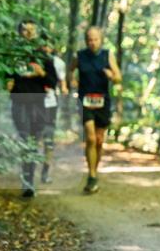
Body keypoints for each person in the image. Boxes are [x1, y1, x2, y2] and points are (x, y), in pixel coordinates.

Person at [7, 19, 57, 198]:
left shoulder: (44, 56)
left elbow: (53, 82)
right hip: (19, 103)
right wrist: (8, 82)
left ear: (36, 33)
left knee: (34, 142)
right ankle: (26, 181)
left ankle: (29, 182)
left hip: (38, 104)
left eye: (31, 31)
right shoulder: (12, 54)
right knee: (25, 139)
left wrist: (41, 73)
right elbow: (5, 75)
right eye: (24, 30)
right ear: (19, 33)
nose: (28, 34)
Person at [69, 26, 121, 194]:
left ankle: (94, 172)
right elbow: (70, 71)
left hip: (102, 102)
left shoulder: (107, 55)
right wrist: (72, 81)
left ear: (101, 39)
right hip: (85, 101)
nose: (92, 42)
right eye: (89, 39)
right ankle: (91, 175)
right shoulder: (80, 56)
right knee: (90, 138)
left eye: (95, 39)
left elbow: (119, 78)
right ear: (86, 40)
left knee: (99, 141)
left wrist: (111, 75)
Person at [40, 34, 69, 184]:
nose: (45, 47)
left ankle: (45, 171)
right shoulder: (33, 61)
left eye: (48, 44)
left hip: (50, 104)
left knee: (48, 139)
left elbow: (62, 83)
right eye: (42, 44)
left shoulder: (58, 63)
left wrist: (64, 90)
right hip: (32, 104)